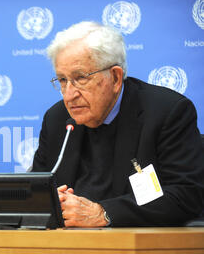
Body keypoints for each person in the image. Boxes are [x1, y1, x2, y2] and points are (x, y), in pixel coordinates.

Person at [31, 21, 204, 227]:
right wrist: (47, 201)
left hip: (137, 248)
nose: (69, 95)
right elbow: (35, 189)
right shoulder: (57, 119)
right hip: (68, 248)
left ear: (115, 77)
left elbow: (186, 194)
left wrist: (103, 213)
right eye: (62, 80)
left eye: (80, 78)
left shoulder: (166, 112)